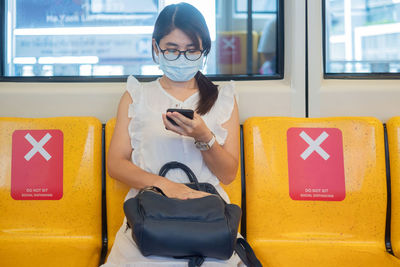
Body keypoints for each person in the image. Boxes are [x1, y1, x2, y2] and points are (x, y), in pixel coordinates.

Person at [102, 3, 242, 266]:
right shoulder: (137, 96)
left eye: (191, 51)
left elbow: (228, 174)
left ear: (204, 51)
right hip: (150, 213)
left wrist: (204, 136)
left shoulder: (223, 99)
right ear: (156, 49)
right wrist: (167, 186)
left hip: (207, 217)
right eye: (172, 50)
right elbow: (116, 164)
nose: (181, 58)